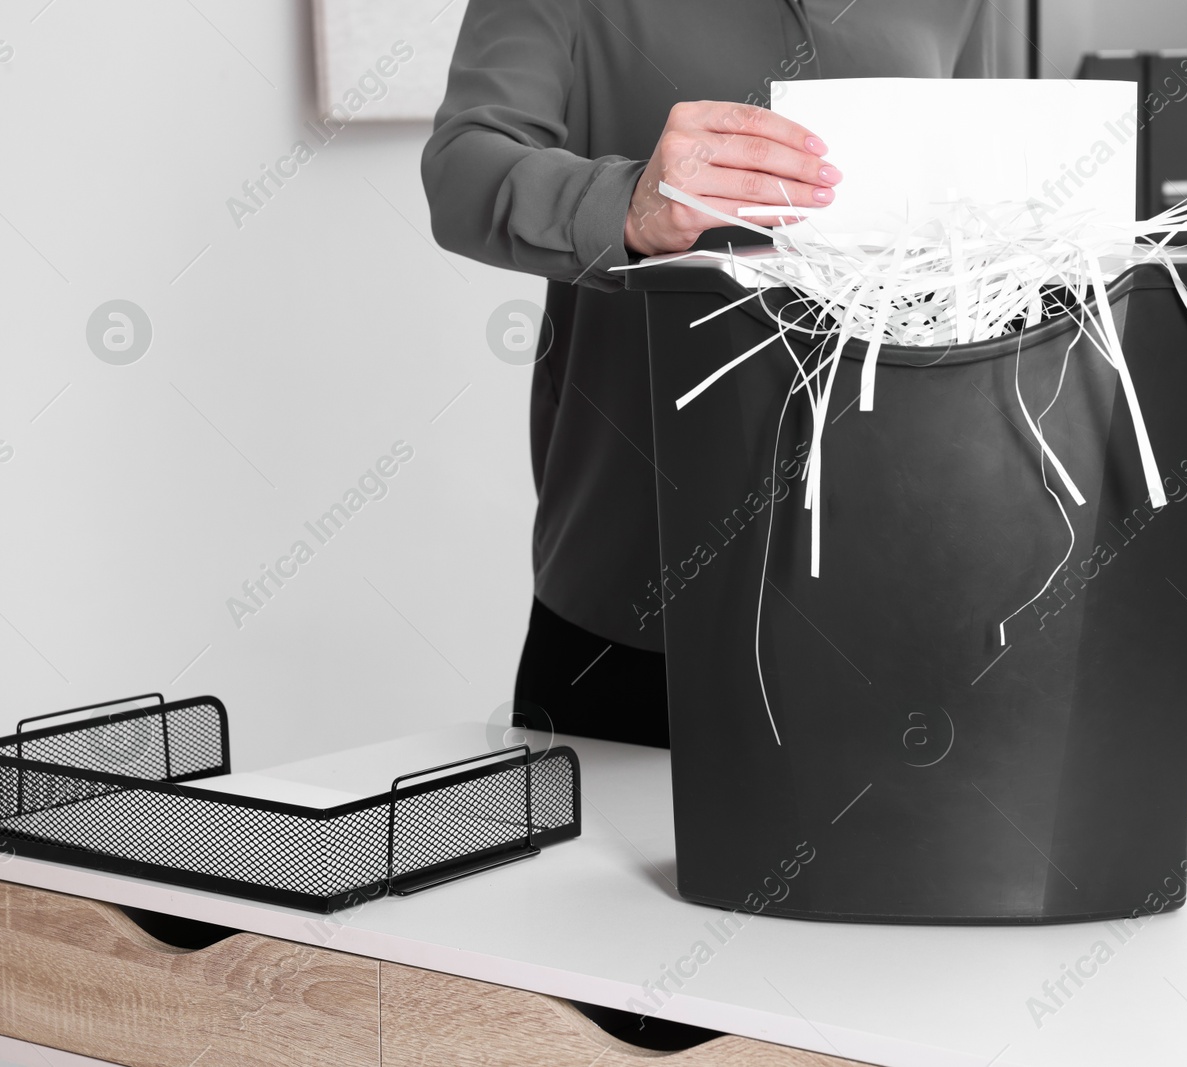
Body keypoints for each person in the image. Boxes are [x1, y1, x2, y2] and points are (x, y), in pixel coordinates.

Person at [424, 0, 993, 748]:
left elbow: (984, 207)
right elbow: (462, 168)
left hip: (903, 593)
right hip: (635, 594)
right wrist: (628, 202)